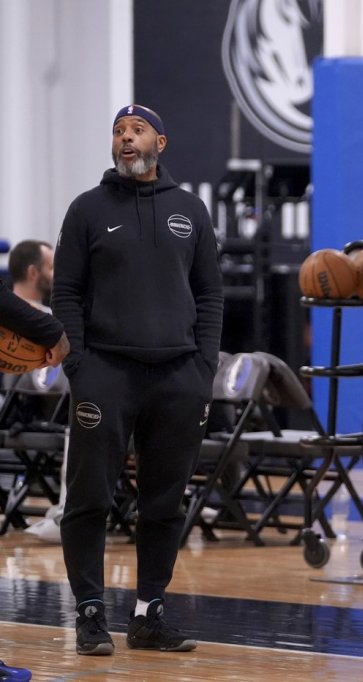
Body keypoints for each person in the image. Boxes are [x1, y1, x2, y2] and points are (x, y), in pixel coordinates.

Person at [52, 104, 223, 656]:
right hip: (105, 373)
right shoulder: (86, 209)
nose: (126, 138)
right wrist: (79, 365)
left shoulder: (190, 210)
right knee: (89, 497)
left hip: (178, 376)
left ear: (160, 143)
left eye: (137, 130)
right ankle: (90, 612)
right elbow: (65, 294)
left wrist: (204, 366)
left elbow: (210, 294)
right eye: (119, 132)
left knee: (165, 503)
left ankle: (150, 613)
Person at [7, 239, 66, 543]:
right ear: (33, 272)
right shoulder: (45, 323)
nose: (57, 274)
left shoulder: (50, 318)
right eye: (52, 267)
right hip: (25, 411)